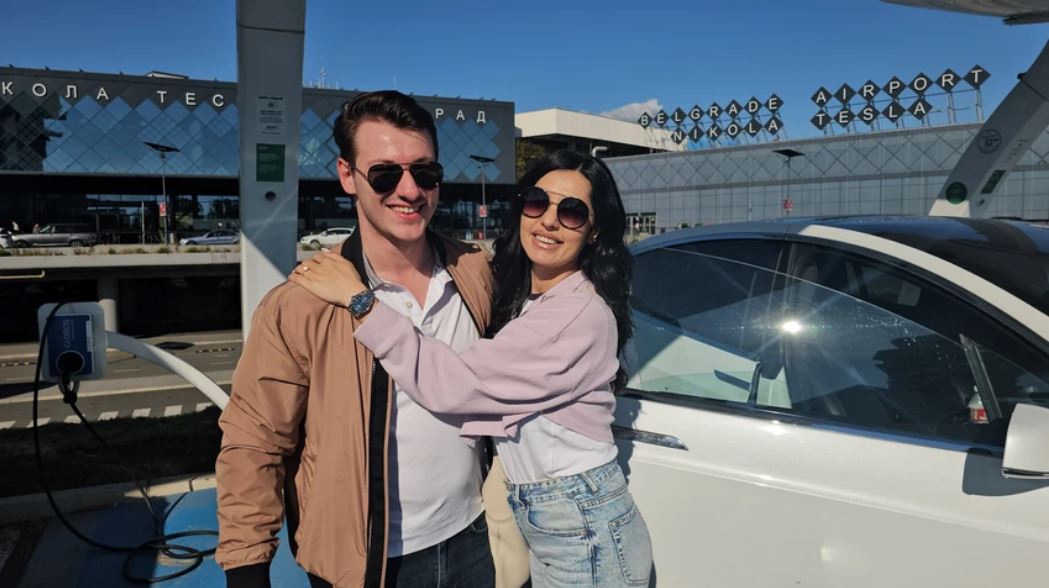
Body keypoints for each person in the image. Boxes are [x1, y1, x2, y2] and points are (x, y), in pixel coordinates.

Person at [291, 150, 654, 587]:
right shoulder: (535, 299)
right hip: (563, 524)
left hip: (583, 530)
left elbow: (456, 384)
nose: (549, 221)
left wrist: (363, 302)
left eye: (572, 212)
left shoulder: (575, 314)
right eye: (537, 202)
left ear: (594, 232)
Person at [216, 91, 502, 588]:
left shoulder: (475, 272)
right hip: (364, 562)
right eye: (385, 174)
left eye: (425, 172)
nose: (409, 191)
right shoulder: (301, 304)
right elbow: (254, 441)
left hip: (476, 535)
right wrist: (247, 569)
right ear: (347, 176)